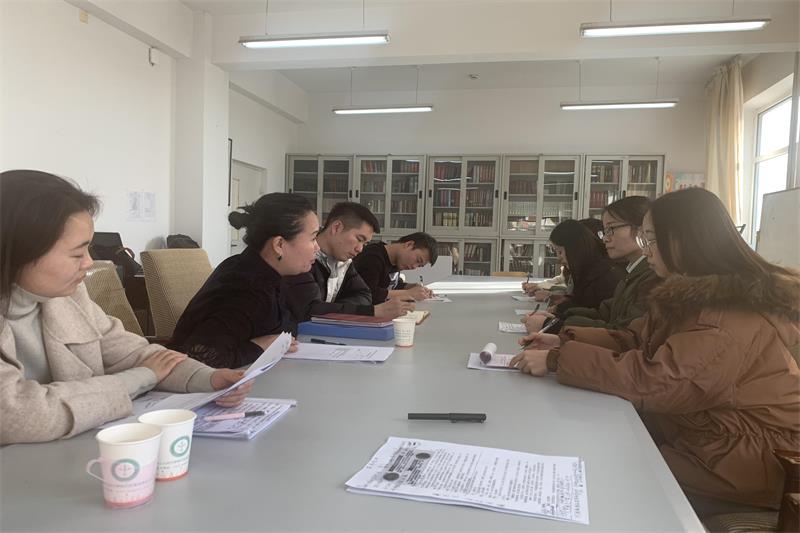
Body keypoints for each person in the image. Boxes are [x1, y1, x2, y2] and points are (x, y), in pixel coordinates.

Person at [511, 187, 800, 516]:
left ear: (684, 241)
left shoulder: (729, 315)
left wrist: (558, 360)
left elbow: (657, 381)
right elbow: (636, 339)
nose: (645, 249)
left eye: (650, 239)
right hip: (705, 437)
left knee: (598, 478)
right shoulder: (693, 294)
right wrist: (564, 341)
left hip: (744, 460)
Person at [0, 170, 252, 445]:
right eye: (77, 253)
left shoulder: (67, 297)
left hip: (73, 449)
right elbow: (15, 415)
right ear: (18, 251)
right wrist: (140, 377)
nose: (88, 262)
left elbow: (132, 352)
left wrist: (208, 378)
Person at [170, 193, 317, 369]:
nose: (317, 247)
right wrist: (261, 346)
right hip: (188, 380)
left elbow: (286, 327)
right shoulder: (247, 288)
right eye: (312, 238)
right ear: (279, 245)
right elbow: (200, 356)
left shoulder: (265, 273)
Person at [529, 197, 659, 331]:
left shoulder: (648, 278)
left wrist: (554, 325)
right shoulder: (630, 273)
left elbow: (623, 333)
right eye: (605, 231)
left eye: (611, 229)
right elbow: (604, 313)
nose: (605, 238)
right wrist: (559, 318)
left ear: (641, 229)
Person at [284, 202, 414, 321]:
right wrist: (370, 311)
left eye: (365, 243)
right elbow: (310, 310)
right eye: (359, 239)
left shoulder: (344, 262)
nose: (360, 249)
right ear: (337, 228)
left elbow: (365, 295)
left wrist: (333, 309)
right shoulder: (303, 260)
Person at [522, 219, 623, 333]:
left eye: (560, 252)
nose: (558, 258)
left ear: (575, 250)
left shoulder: (606, 277)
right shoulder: (588, 272)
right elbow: (582, 307)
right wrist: (556, 315)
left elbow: (600, 323)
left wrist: (549, 325)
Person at [353, 232, 438, 304]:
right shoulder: (372, 257)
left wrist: (411, 287)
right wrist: (408, 293)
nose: (414, 267)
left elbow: (390, 286)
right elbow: (368, 293)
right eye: (418, 260)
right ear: (409, 245)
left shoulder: (396, 262)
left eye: (419, 266)